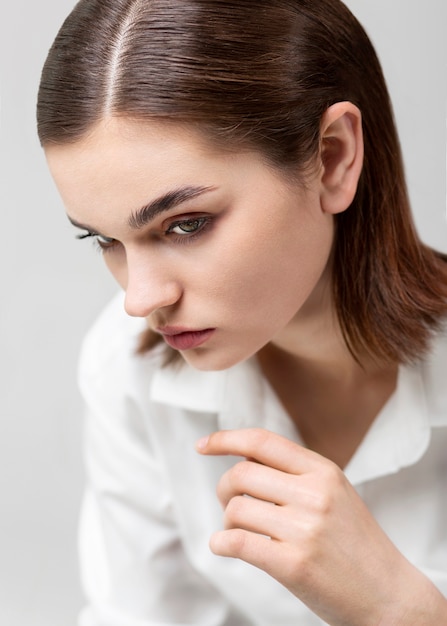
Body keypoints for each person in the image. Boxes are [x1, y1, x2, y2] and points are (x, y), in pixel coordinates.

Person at [37, 0, 447, 624]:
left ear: (333, 157)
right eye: (104, 240)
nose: (140, 299)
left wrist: (400, 609)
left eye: (187, 224)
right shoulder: (127, 367)